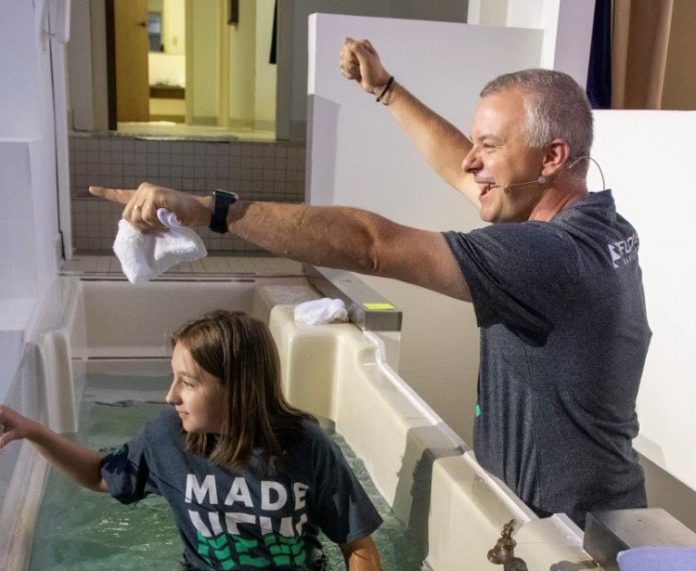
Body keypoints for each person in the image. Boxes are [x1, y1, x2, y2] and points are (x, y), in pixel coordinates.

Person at [88, 37, 651, 528]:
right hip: (589, 504)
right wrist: (386, 90)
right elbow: (460, 164)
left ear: (552, 157)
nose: (473, 163)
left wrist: (210, 210)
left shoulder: (547, 256)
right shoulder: (597, 223)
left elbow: (371, 245)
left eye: (491, 146)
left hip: (566, 529)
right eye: (476, 144)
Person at [0, 310, 383, 570]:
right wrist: (35, 432)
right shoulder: (166, 439)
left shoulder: (308, 447)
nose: (171, 396)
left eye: (188, 382)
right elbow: (103, 475)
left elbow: (359, 547)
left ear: (236, 388)